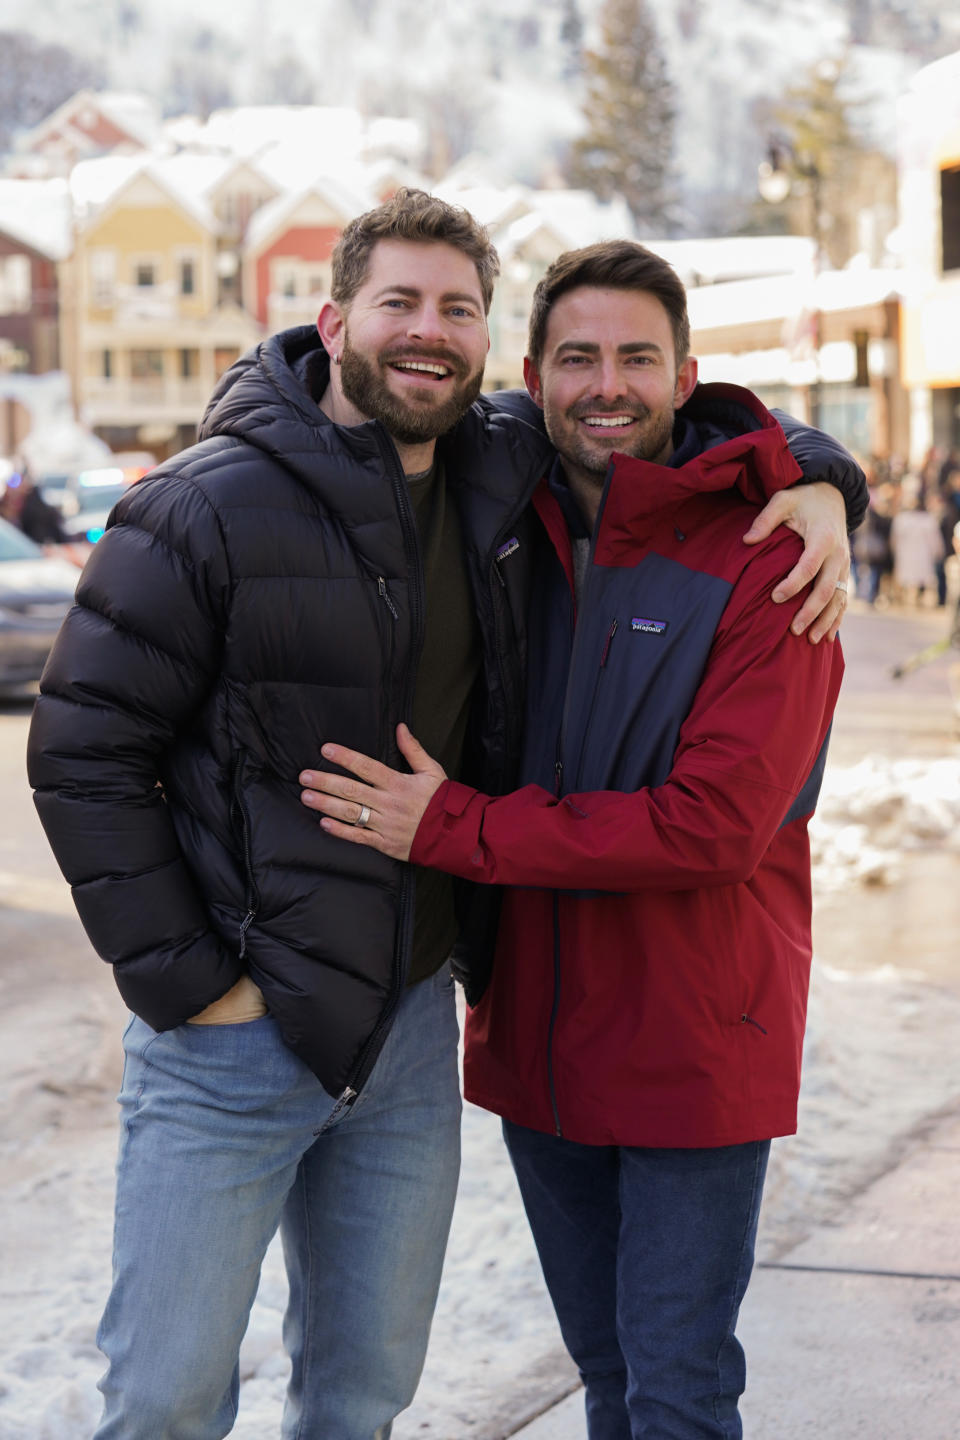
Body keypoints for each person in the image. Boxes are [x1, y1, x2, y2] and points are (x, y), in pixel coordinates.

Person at [28, 193, 860, 1440]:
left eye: (456, 308)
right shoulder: (216, 504)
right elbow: (83, 752)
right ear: (333, 319)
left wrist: (824, 478)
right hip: (242, 1036)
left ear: (484, 353)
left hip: (428, 1032)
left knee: (374, 1395)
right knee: (164, 1399)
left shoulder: (533, 484)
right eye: (399, 304)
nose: (428, 333)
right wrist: (194, 982)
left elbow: (657, 418)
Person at [299, 240, 849, 1440]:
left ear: (686, 374)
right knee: (606, 1373)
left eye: (638, 359)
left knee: (678, 1386)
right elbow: (359, 385)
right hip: (541, 1036)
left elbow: (713, 828)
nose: (610, 386)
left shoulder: (771, 556)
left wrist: (454, 828)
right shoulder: (502, 524)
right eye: (580, 357)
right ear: (532, 375)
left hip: (696, 1042)